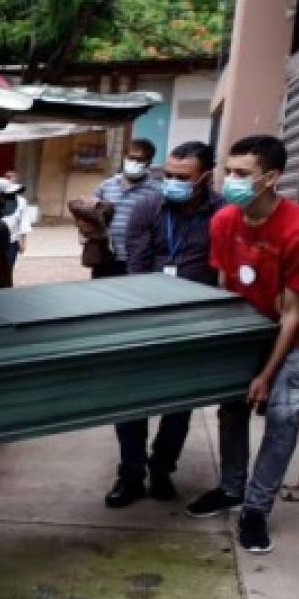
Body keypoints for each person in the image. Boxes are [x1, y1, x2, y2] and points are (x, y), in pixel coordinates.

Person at [186, 135, 299, 554]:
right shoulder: (224, 221)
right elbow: (226, 287)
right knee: (232, 402)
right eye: (228, 171)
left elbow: (293, 314)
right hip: (253, 319)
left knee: (284, 411)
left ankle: (256, 508)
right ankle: (232, 487)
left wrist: (267, 374)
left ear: (271, 178)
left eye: (242, 174)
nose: (230, 181)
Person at [103, 141, 223, 508]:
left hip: (194, 320)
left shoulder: (223, 213)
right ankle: (131, 473)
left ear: (205, 177)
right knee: (130, 399)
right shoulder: (148, 206)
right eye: (168, 175)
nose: (171, 182)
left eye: (182, 177)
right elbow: (136, 266)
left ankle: (161, 469)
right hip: (146, 313)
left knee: (179, 403)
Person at [92, 138, 161, 279]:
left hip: (138, 259)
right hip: (106, 257)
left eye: (140, 160)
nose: (134, 163)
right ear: (125, 157)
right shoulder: (107, 185)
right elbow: (92, 212)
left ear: (149, 163)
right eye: (131, 158)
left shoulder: (156, 190)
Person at [2, 170, 33, 267]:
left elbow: (24, 222)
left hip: (12, 240)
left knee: (9, 267)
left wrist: (23, 242)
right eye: (9, 181)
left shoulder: (21, 201)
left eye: (13, 181)